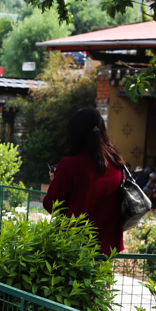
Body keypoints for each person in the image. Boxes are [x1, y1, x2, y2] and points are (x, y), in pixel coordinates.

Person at [43, 107, 127, 254]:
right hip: (108, 249)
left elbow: (51, 205)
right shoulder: (117, 162)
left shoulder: (69, 166)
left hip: (75, 249)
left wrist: (55, 180)